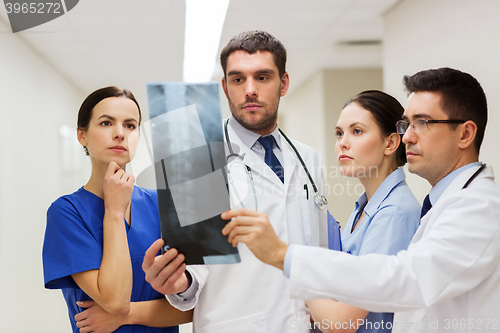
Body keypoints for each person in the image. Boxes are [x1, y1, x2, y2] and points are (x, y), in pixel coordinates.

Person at [222, 67, 500, 333]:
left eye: (423, 123)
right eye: (407, 124)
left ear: (465, 134)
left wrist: (286, 255)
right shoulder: (439, 204)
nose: (408, 136)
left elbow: (404, 278)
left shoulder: (477, 208)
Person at [142, 30, 327, 332]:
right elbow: (193, 273)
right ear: (225, 87)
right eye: (238, 79)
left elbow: (318, 254)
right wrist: (177, 282)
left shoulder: (309, 159)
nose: (250, 90)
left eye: (263, 77)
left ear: (283, 84)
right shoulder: (195, 159)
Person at [42, 87, 192, 333]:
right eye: (106, 123)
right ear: (82, 135)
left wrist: (127, 316)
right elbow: (114, 300)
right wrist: (113, 212)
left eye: (130, 125)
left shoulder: (163, 205)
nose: (120, 133)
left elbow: (192, 306)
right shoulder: (67, 213)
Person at [304, 90, 420, 332]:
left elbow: (342, 323)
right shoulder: (364, 209)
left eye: (356, 131)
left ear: (390, 143)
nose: (342, 143)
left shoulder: (394, 213)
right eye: (339, 133)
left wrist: (301, 274)